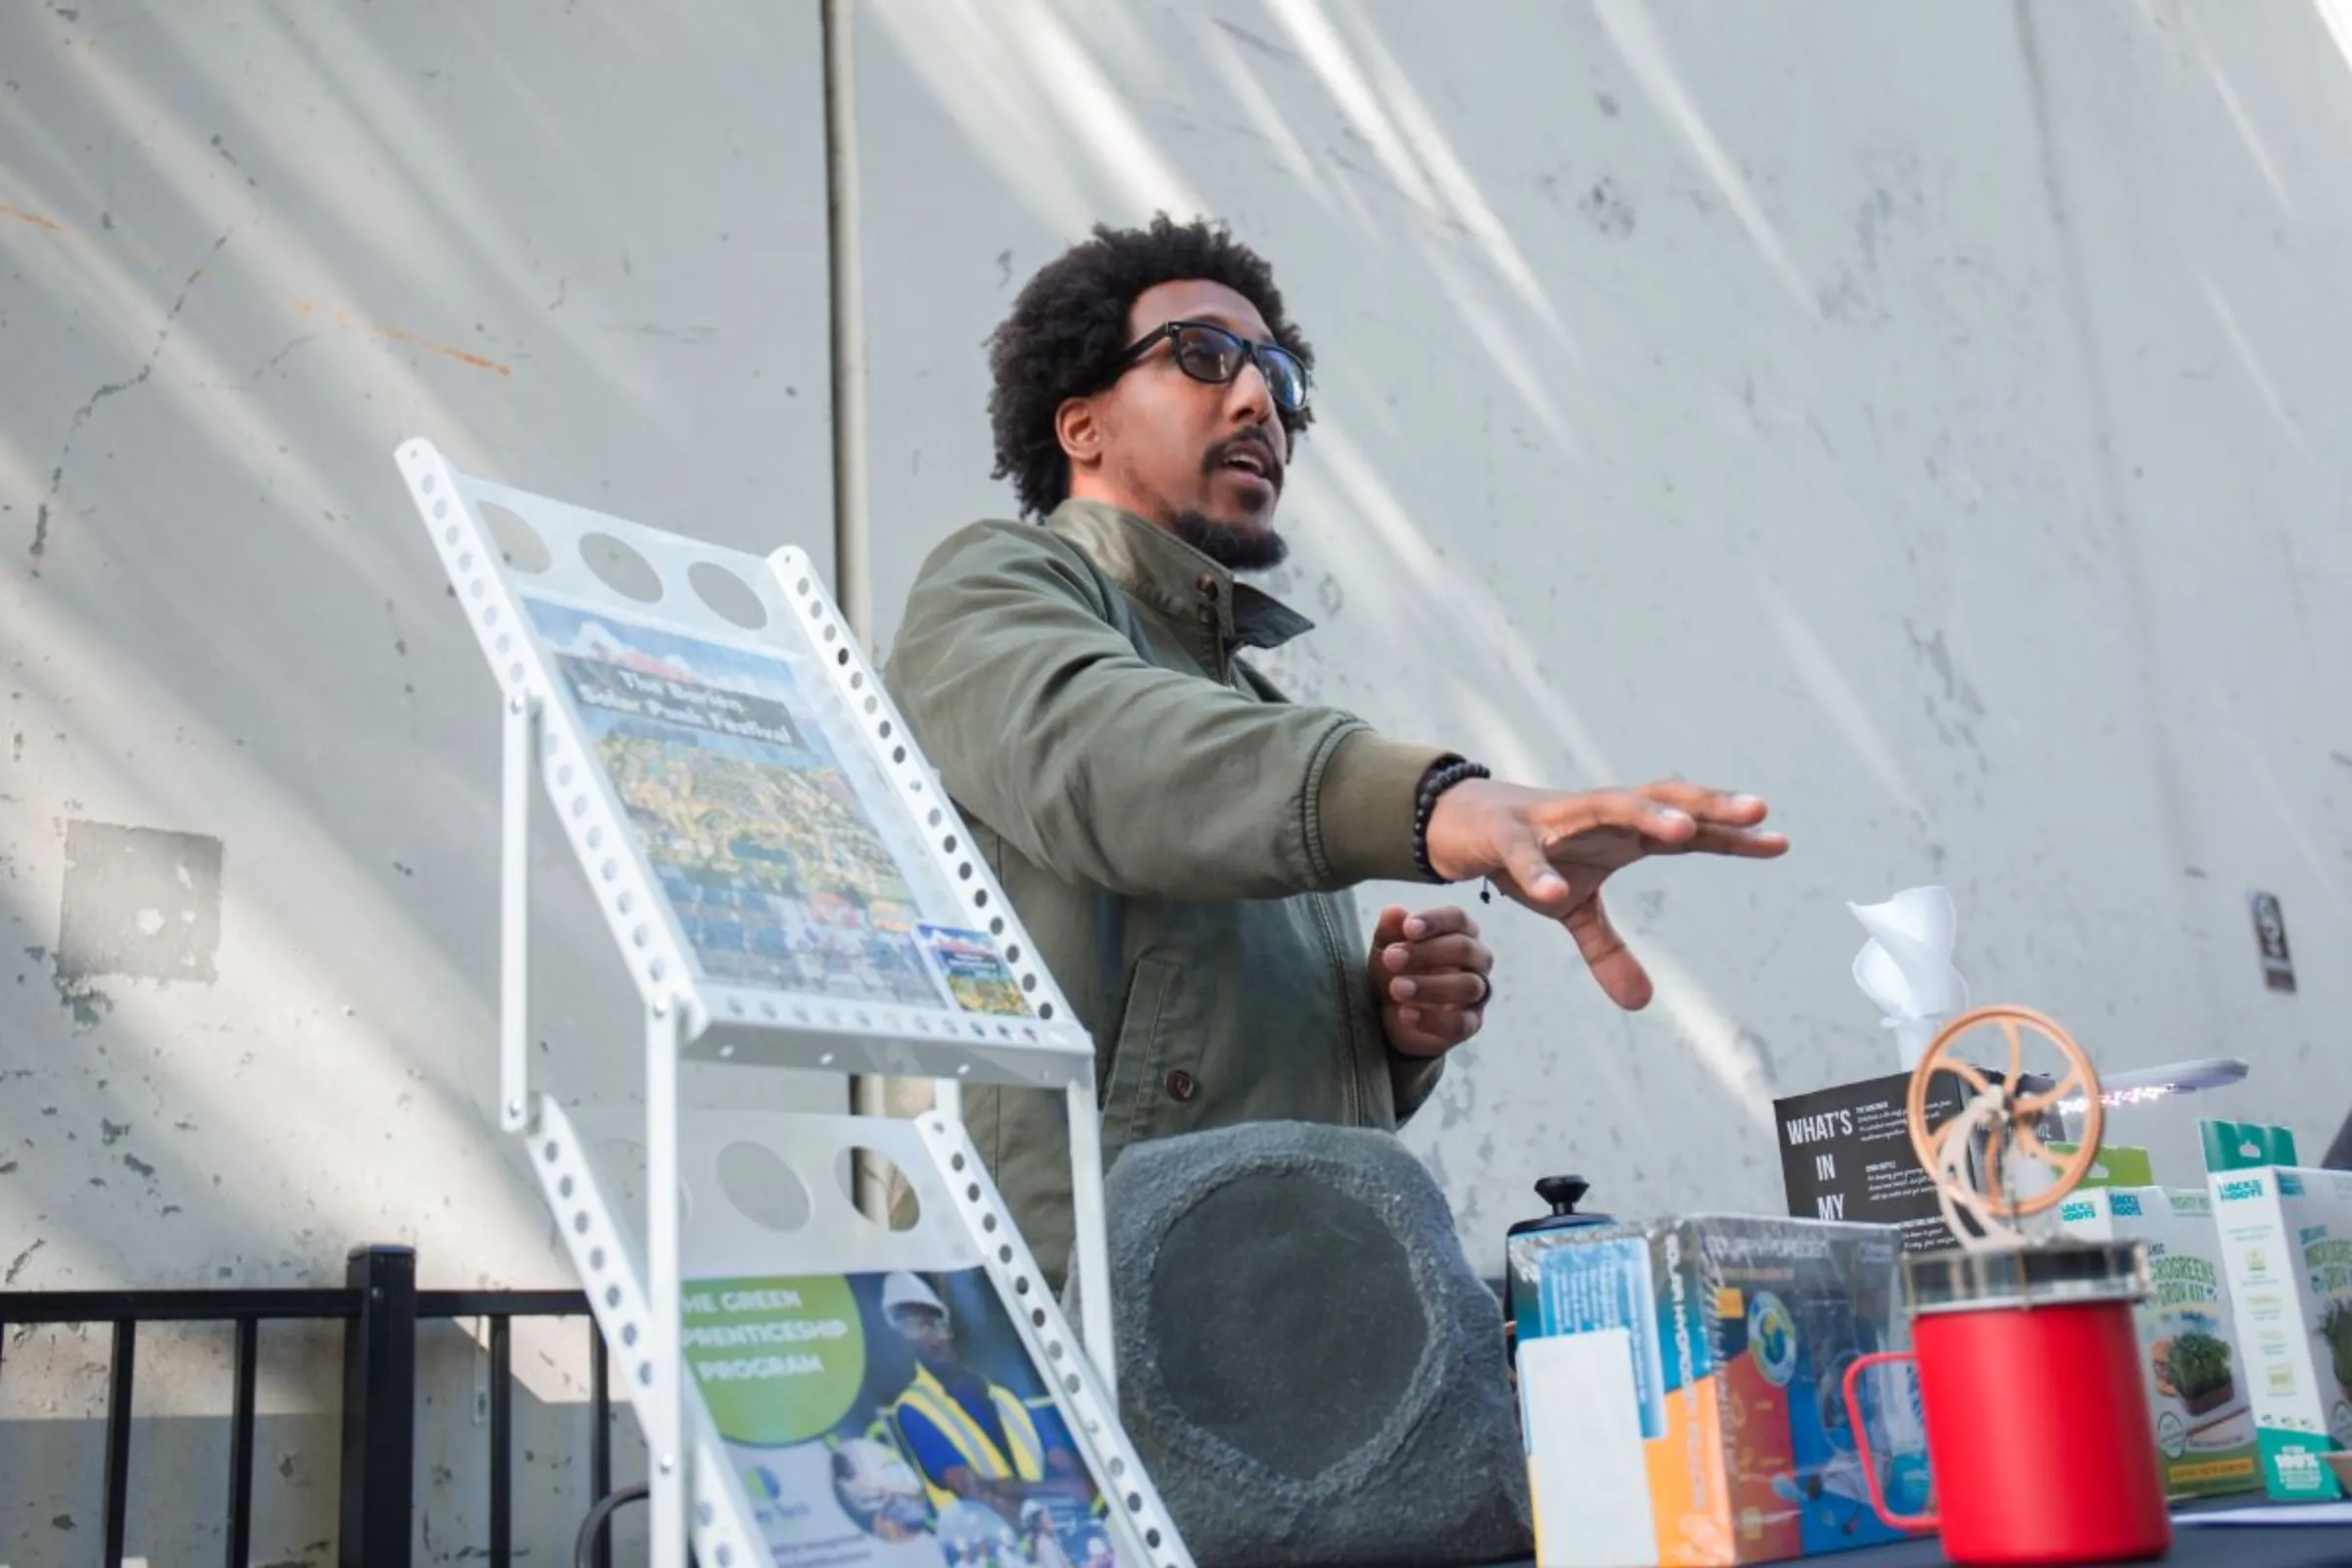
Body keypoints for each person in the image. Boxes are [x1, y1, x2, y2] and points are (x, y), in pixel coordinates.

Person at [884, 215, 1788, 1287]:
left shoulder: (1247, 700)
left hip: (1273, 1334)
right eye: (1205, 356)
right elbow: (1101, 756)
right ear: (1080, 426)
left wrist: (1387, 1035)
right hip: (1057, 1352)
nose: (1260, 399)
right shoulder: (992, 584)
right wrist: (1433, 802)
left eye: (1280, 376)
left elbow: (1191, 1032)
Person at [882, 1272, 1092, 1525]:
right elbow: (973, 1489)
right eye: (914, 1327)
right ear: (900, 1341)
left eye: (934, 1324)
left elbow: (1070, 1466)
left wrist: (1071, 1486)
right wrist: (1060, 1492)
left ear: (948, 1330)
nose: (931, 1337)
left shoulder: (1004, 1397)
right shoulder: (913, 1408)